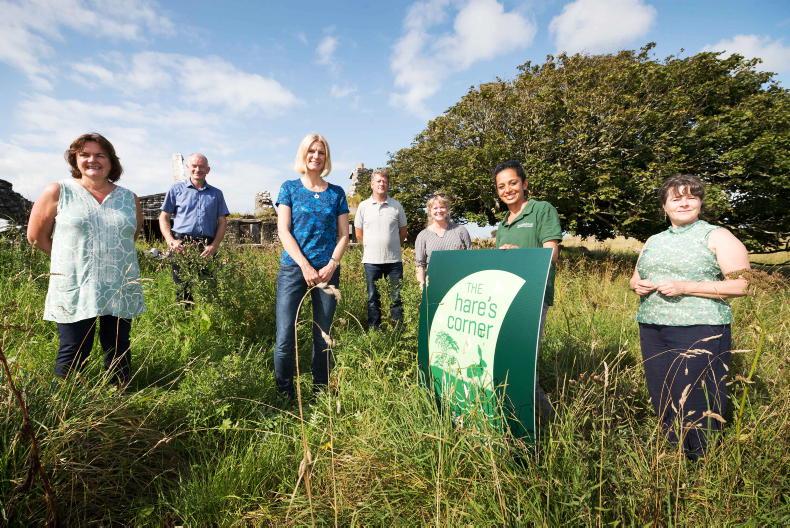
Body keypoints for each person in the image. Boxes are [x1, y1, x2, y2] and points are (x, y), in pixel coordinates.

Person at [630, 174, 750, 459]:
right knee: (663, 394)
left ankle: (701, 461)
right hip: (653, 328)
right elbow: (635, 279)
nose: (684, 203)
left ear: (700, 202)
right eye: (677, 198)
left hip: (700, 328)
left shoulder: (717, 235)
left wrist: (686, 287)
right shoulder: (653, 240)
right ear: (664, 206)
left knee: (697, 397)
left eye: (691, 197)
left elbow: (742, 285)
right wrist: (637, 285)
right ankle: (673, 455)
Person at [26, 133, 145, 384]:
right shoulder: (59, 191)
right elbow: (36, 236)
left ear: (111, 162)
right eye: (85, 155)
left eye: (100, 155)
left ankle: (118, 401)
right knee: (74, 348)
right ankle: (64, 407)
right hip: (76, 282)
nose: (93, 160)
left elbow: (130, 235)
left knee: (118, 347)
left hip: (118, 283)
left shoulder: (129, 198)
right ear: (75, 159)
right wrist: (72, 260)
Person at [274, 133, 349, 398]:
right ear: (303, 154)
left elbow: (344, 235)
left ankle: (321, 393)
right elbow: (284, 231)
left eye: (321, 152)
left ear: (326, 157)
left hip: (327, 271)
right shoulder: (289, 188)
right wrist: (305, 266)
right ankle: (284, 394)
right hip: (294, 270)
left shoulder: (337, 193)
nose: (316, 156)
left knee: (323, 335)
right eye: (312, 151)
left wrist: (332, 264)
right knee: (285, 335)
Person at [493, 160, 562, 424]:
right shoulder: (503, 224)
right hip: (507, 297)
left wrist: (518, 254)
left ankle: (546, 420)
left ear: (524, 184)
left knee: (523, 362)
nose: (508, 189)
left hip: (532, 297)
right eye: (501, 186)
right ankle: (515, 414)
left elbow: (552, 253)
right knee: (507, 358)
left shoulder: (541, 210)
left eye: (512, 183)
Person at [159, 153, 229, 305]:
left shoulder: (216, 194)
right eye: (194, 166)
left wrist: (214, 246)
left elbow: (222, 222)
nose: (198, 169)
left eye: (202, 166)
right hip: (181, 245)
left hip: (207, 246)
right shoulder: (176, 189)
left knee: (209, 287)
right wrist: (171, 241)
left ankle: (208, 322)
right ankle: (186, 322)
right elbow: (163, 217)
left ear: (208, 169)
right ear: (188, 168)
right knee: (183, 288)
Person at [354, 169, 408, 329]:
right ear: (372, 184)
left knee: (397, 297)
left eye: (384, 181)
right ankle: (374, 331)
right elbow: (358, 233)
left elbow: (403, 231)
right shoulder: (363, 206)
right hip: (371, 261)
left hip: (394, 261)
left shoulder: (396, 206)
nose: (381, 184)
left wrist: (390, 245)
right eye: (378, 181)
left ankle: (398, 331)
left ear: (388, 184)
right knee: (372, 297)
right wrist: (373, 246)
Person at [414, 193, 472, 289]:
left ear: (447, 209)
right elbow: (420, 264)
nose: (439, 211)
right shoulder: (423, 236)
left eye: (442, 207)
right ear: (430, 211)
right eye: (435, 208)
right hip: (433, 284)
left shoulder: (460, 230)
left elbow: (470, 257)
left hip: (459, 283)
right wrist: (422, 286)